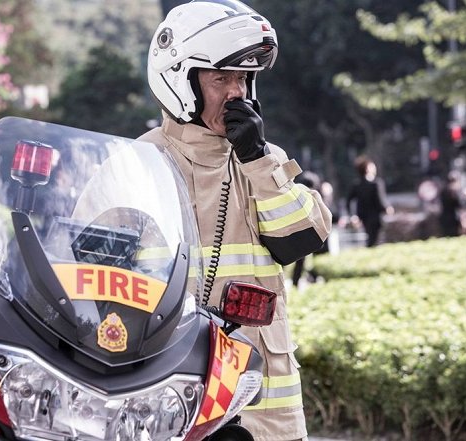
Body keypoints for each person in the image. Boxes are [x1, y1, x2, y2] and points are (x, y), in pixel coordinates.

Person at [140, 2, 332, 440]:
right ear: (180, 82)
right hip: (167, 390)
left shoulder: (263, 159)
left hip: (264, 403)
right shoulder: (138, 162)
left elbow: (302, 238)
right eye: (221, 78)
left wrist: (257, 161)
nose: (237, 93)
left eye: (244, 78)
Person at [345, 156, 394, 247]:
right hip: (376, 216)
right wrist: (387, 208)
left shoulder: (356, 185)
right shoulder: (376, 183)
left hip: (363, 217)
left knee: (370, 237)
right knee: (377, 240)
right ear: (368, 168)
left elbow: (348, 201)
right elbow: (381, 200)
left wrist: (353, 215)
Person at [438, 172, 461, 237]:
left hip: (445, 217)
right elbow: (458, 204)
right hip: (451, 218)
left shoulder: (443, 190)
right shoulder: (452, 191)